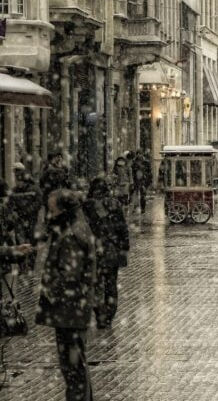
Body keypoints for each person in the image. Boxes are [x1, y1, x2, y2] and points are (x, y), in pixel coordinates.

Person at [36, 189, 96, 401]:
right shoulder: (74, 227)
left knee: (73, 367)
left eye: (52, 210)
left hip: (69, 310)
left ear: (64, 210)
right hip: (72, 309)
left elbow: (69, 275)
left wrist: (50, 291)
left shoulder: (71, 234)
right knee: (76, 365)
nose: (49, 215)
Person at [83, 177, 130, 329]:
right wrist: (123, 246)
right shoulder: (113, 204)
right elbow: (122, 228)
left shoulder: (87, 206)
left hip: (97, 252)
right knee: (109, 285)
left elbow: (82, 230)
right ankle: (107, 315)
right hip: (109, 251)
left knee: (98, 285)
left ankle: (102, 315)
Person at [8, 163, 43, 245]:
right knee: (20, 241)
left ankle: (32, 255)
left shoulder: (34, 189)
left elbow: (39, 202)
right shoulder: (14, 191)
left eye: (19, 181)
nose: (17, 183)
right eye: (16, 181)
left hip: (32, 219)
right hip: (19, 220)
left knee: (32, 239)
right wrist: (13, 211)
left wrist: (27, 211)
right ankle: (22, 256)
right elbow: (10, 203)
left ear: (24, 181)